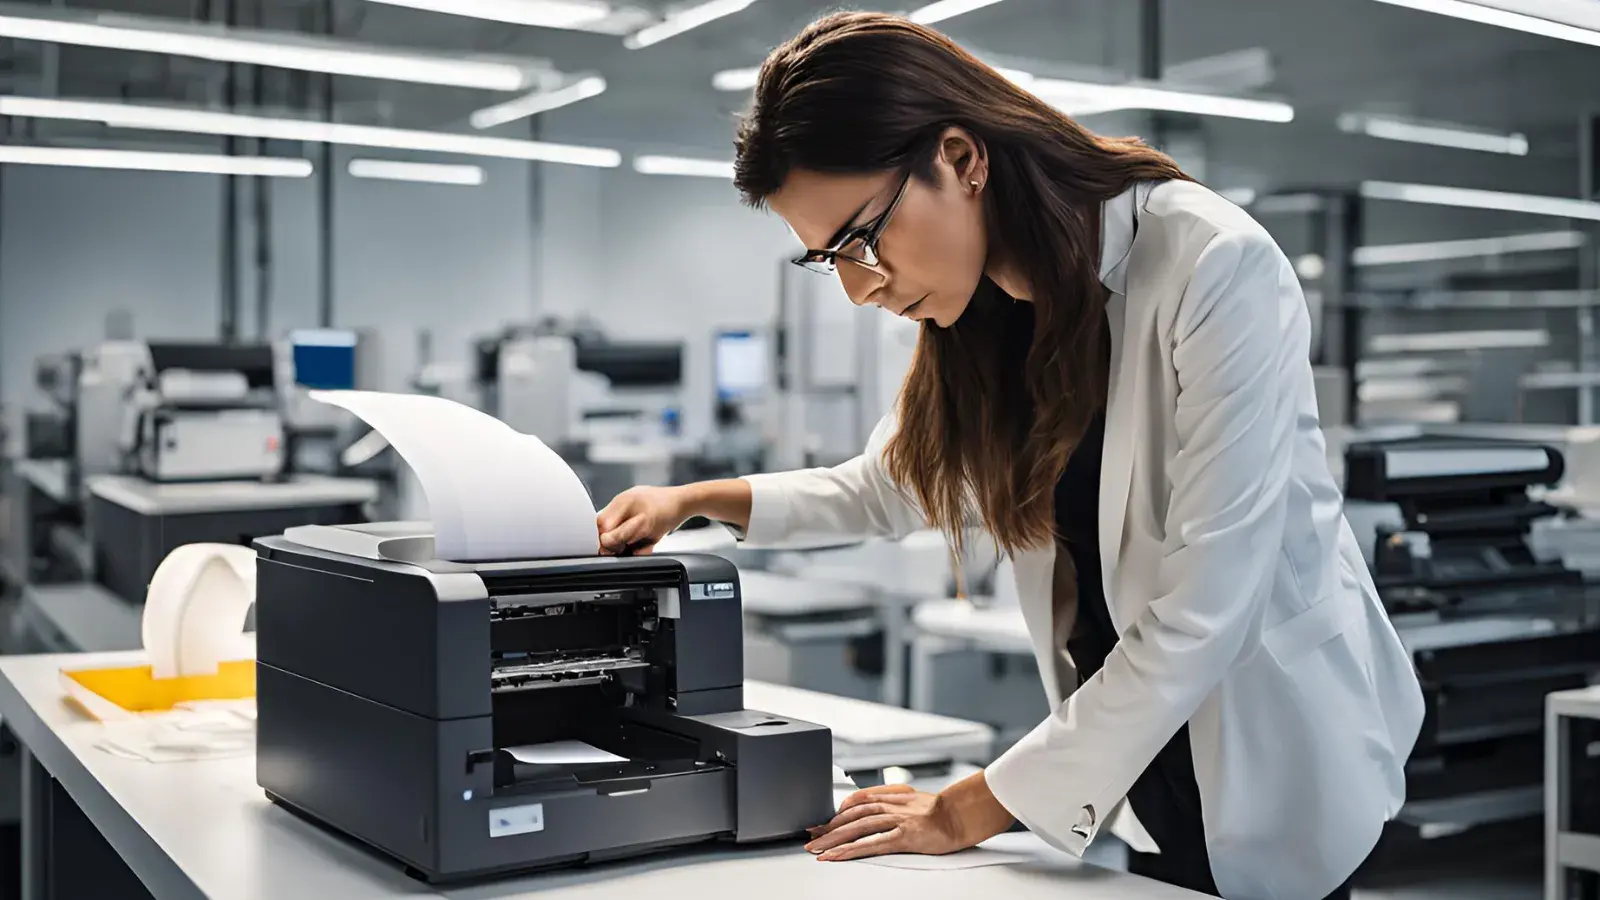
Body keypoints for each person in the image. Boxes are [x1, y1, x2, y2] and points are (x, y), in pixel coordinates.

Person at [595, 11, 1423, 900]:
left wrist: (965, 810)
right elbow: (890, 487)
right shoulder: (987, 309)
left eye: (862, 239)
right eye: (825, 259)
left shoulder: (1212, 265)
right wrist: (691, 500)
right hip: (1135, 742)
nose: (858, 287)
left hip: (1271, 735)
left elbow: (1207, 609)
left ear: (961, 158)